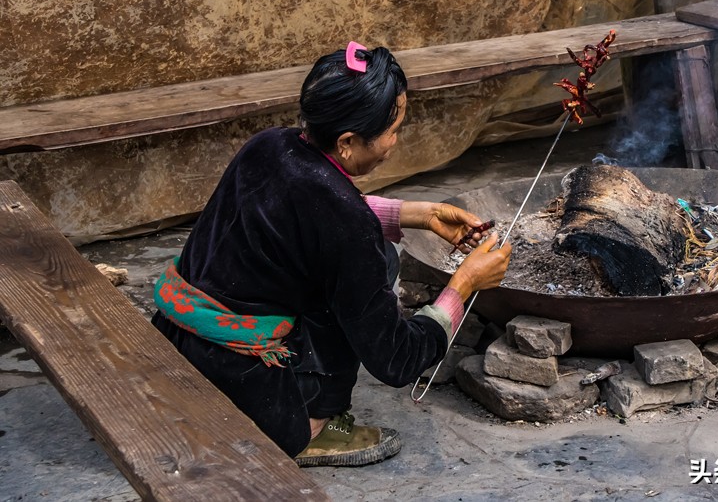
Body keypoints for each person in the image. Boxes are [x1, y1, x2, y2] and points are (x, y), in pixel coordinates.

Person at [151, 42, 512, 467]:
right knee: (368, 271)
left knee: (375, 257)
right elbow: (396, 360)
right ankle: (312, 425)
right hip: (241, 378)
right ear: (346, 142)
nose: (395, 142)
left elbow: (313, 213)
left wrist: (421, 214)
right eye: (393, 130)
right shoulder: (343, 222)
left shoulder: (269, 145)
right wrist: (464, 284)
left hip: (176, 336)